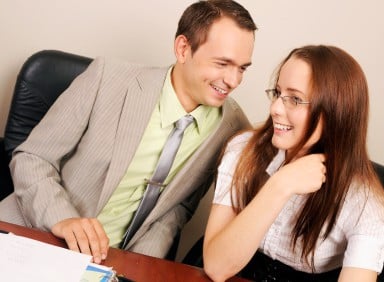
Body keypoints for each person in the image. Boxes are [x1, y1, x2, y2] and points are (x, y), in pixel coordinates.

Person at [0, 0, 256, 264]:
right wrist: (62, 218)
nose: (233, 81)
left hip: (114, 265)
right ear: (183, 48)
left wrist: (138, 263)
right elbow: (32, 157)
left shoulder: (233, 129)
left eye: (242, 68)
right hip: (32, 234)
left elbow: (178, 209)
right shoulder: (106, 78)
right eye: (223, 63)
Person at [203, 45, 384, 282]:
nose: (275, 109)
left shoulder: (364, 204)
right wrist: (280, 185)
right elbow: (216, 267)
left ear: (335, 112)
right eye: (277, 93)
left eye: (294, 99)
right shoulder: (243, 149)